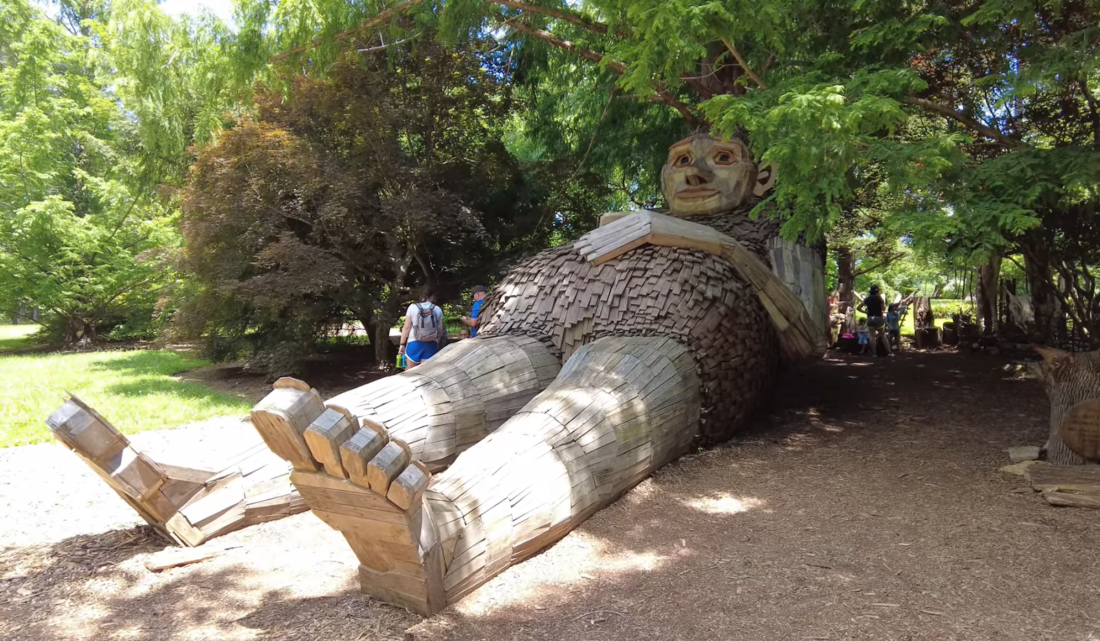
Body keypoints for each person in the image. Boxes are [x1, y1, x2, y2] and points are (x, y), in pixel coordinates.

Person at [399, 287, 444, 368]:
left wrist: (402, 344)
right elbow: (440, 330)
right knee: (426, 374)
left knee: (409, 374)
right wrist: (437, 342)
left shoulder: (413, 307)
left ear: (421, 296)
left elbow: (406, 327)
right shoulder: (437, 309)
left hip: (414, 343)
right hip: (431, 344)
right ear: (432, 296)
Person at [856, 284, 891, 356]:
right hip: (878, 318)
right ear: (877, 291)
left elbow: (858, 308)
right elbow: (883, 309)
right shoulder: (880, 298)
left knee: (872, 336)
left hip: (870, 318)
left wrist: (865, 312)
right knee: (883, 335)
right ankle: (889, 352)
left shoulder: (867, 299)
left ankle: (874, 353)